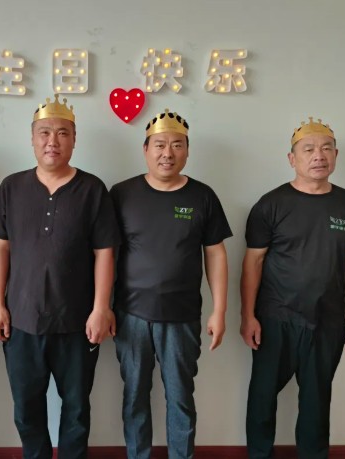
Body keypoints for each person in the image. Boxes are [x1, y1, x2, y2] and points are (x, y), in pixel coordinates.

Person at [0, 95, 121, 459]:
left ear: (74, 139)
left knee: (76, 408)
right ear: (32, 138)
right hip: (22, 321)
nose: (53, 141)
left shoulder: (92, 190)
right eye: (44, 132)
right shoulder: (11, 188)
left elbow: (105, 252)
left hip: (77, 322)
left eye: (63, 133)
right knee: (26, 409)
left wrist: (101, 308)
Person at [241, 117, 345, 459]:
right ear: (292, 158)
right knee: (262, 398)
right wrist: (248, 315)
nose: (318, 156)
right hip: (275, 318)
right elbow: (253, 262)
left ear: (336, 155)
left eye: (326, 148)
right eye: (309, 149)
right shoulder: (271, 204)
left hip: (327, 320)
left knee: (316, 402)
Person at [110, 109, 232, 459]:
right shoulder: (121, 194)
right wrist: (102, 306)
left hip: (182, 317)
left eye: (177, 145)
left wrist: (220, 310)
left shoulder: (202, 196)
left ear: (187, 151)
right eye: (160, 145)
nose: (168, 153)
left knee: (180, 397)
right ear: (145, 149)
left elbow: (215, 254)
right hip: (131, 315)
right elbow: (105, 254)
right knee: (134, 396)